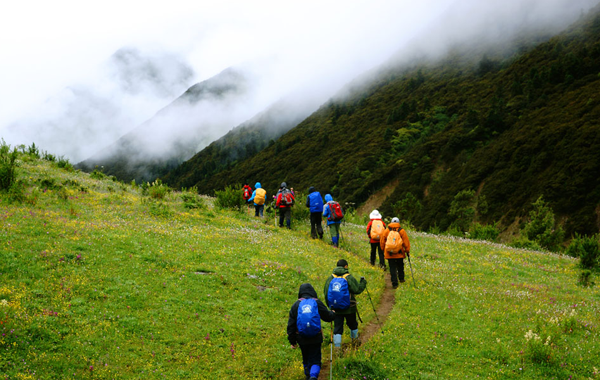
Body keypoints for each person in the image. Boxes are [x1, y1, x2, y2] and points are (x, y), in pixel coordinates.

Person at [287, 283, 335, 380]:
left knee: (306, 358)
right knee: (315, 359)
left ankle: (308, 375)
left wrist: (292, 341)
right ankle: (313, 376)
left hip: (301, 337)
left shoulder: (296, 305)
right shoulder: (316, 303)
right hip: (316, 337)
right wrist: (333, 314)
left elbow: (291, 326)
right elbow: (327, 317)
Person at [323, 259, 367, 348]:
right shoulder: (348, 277)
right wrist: (363, 282)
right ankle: (355, 342)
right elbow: (357, 290)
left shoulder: (331, 278)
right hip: (349, 308)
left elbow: (326, 293)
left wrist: (331, 306)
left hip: (335, 308)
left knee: (337, 328)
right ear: (346, 266)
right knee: (352, 324)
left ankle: (337, 348)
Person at [380, 217, 411, 289]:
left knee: (392, 268)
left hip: (389, 253)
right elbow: (406, 242)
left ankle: (394, 283)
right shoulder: (401, 231)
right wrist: (407, 251)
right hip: (399, 253)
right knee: (400, 266)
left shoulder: (387, 230)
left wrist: (383, 249)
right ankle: (401, 279)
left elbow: (382, 241)